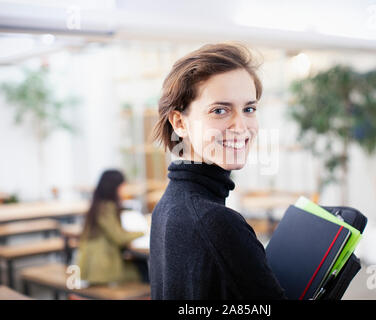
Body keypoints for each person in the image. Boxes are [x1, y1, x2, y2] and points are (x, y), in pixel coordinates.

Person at [150, 43, 287, 299]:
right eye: (220, 110)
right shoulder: (216, 222)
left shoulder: (168, 204)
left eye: (249, 109)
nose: (241, 126)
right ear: (180, 122)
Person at [77, 169, 146, 285]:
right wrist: (145, 231)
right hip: (101, 269)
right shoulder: (106, 208)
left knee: (140, 265)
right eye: (123, 186)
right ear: (115, 187)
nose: (124, 190)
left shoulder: (98, 205)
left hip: (96, 264)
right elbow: (119, 237)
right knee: (144, 271)